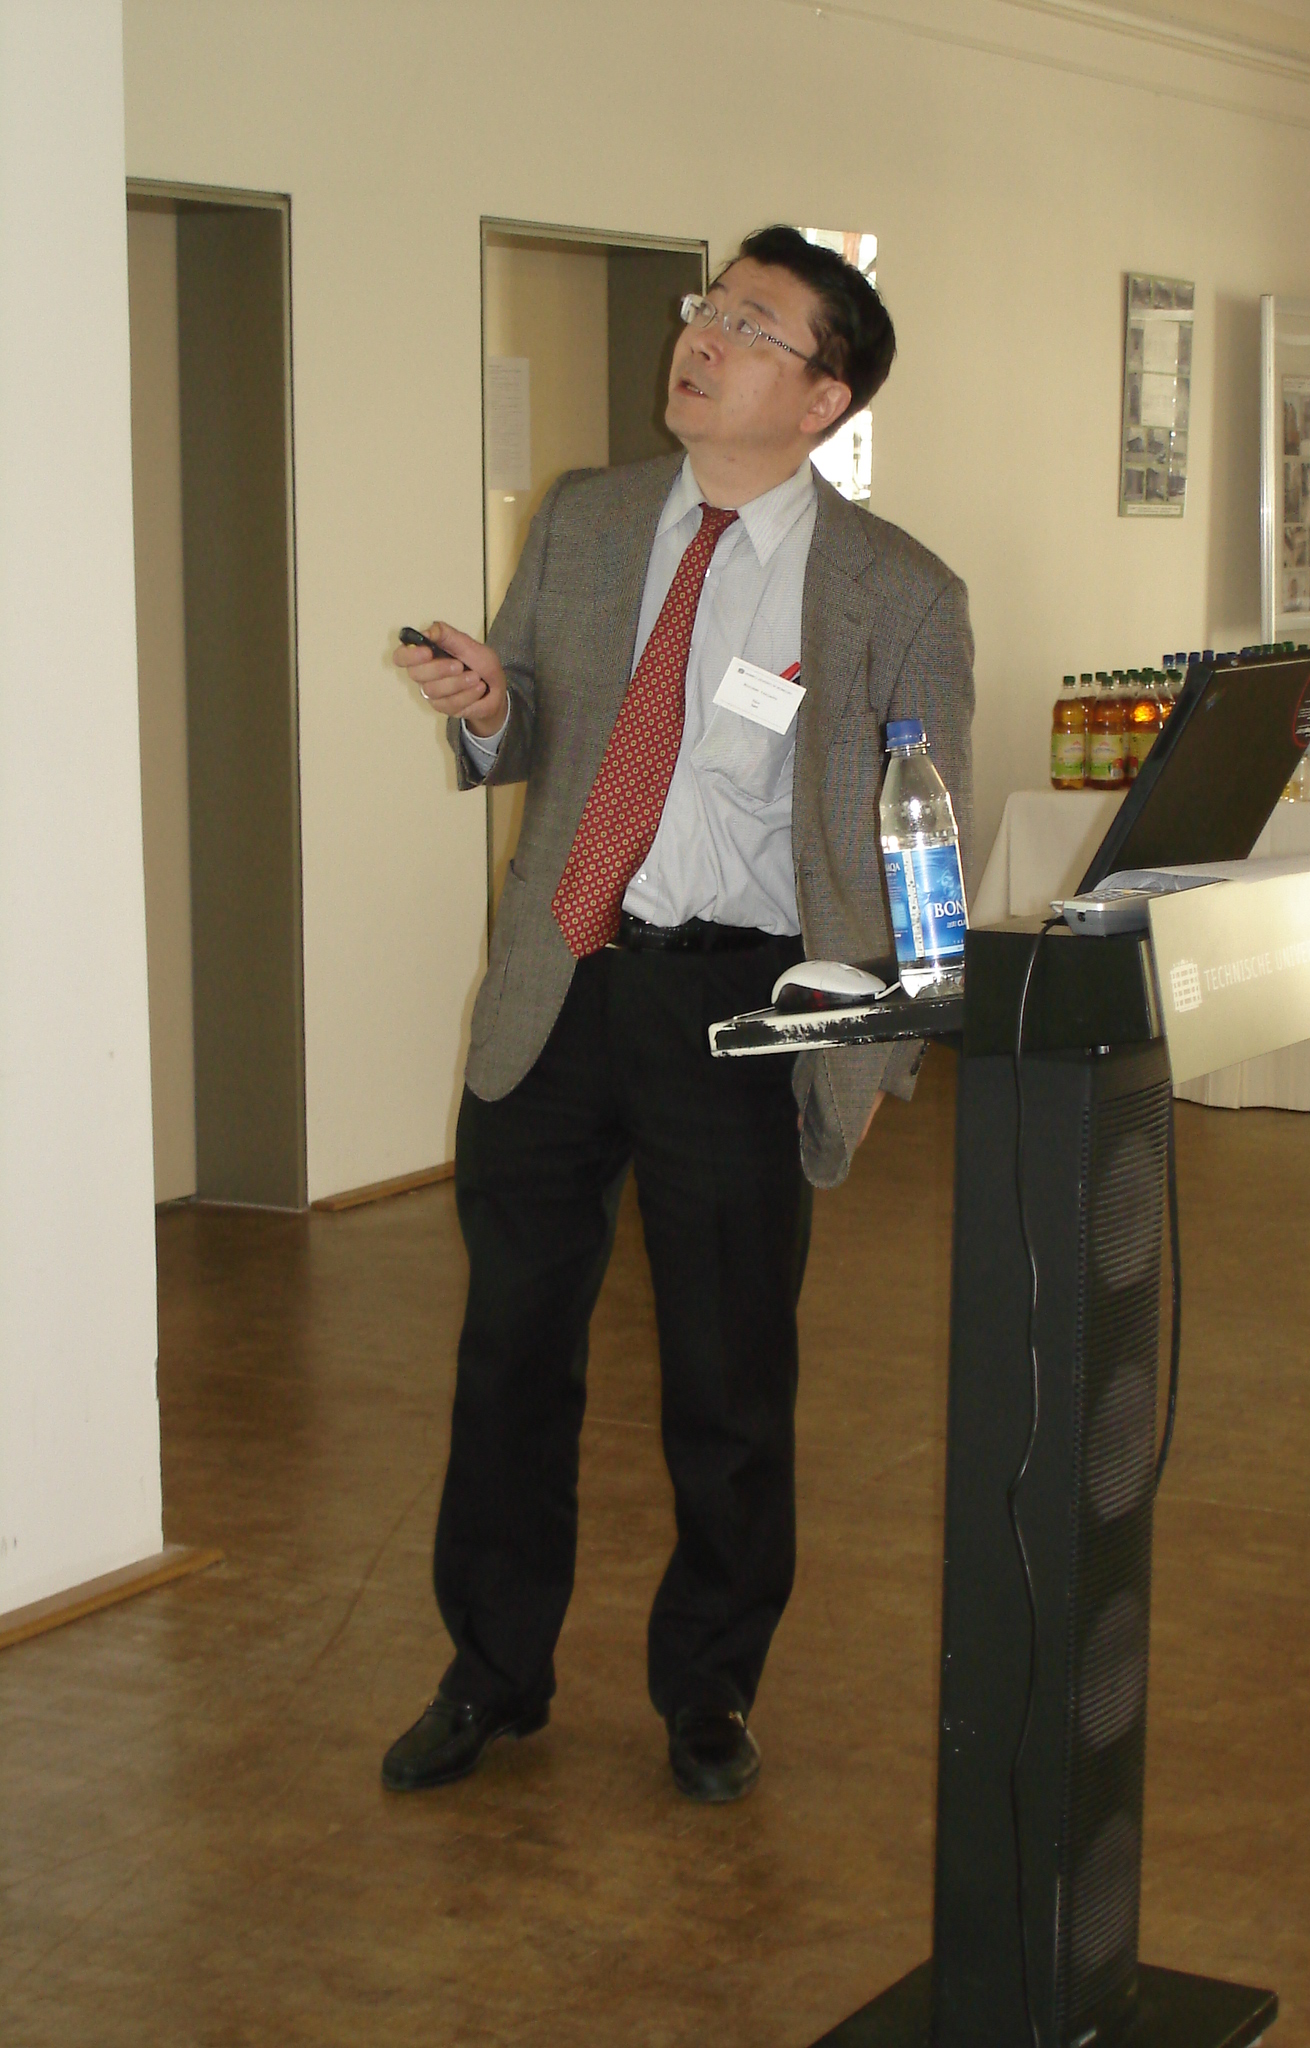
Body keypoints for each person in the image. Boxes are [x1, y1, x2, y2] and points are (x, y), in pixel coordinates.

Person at [386, 225, 973, 1804]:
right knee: (511, 1350)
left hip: (743, 1000)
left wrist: (878, 1040)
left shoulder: (896, 592)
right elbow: (530, 727)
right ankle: (491, 1673)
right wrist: (490, 709)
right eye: (708, 309)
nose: (702, 338)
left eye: (752, 326)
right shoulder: (585, 519)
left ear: (823, 397)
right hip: (563, 978)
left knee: (728, 1374)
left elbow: (924, 836)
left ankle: (709, 1687)